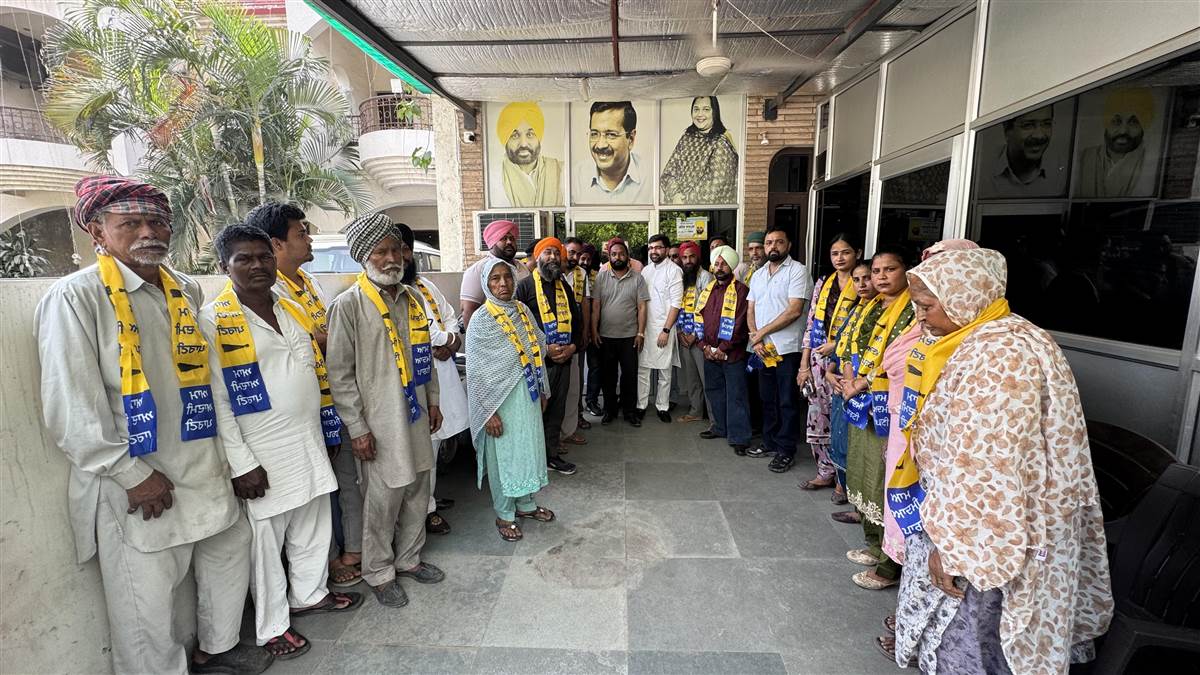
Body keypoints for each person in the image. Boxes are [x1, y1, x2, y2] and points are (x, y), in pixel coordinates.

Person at [35, 176, 270, 675]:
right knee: (144, 598)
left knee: (230, 549)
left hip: (203, 461)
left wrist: (232, 458)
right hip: (139, 474)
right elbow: (71, 405)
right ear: (98, 231)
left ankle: (216, 649)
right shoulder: (76, 297)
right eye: (131, 223)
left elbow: (205, 375)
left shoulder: (184, 287)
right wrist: (130, 474)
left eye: (157, 221)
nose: (148, 232)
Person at [891, 248, 1112, 673]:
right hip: (985, 523)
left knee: (973, 643)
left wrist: (951, 551)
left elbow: (987, 471)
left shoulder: (1000, 357)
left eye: (927, 306)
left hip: (988, 540)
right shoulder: (994, 337)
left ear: (964, 297)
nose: (919, 318)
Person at [201, 225, 361, 659]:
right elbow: (217, 400)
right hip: (261, 451)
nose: (257, 265)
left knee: (313, 524)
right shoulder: (214, 320)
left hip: (307, 439)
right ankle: (272, 626)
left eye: (263, 257)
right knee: (267, 544)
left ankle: (309, 594)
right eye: (244, 259)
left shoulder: (290, 308)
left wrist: (326, 427)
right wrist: (241, 464)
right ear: (225, 267)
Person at [325, 212, 445, 608]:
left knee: (419, 487)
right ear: (364, 257)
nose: (392, 258)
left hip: (416, 413)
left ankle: (409, 559)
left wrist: (434, 401)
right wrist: (357, 427)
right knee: (383, 496)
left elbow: (425, 358)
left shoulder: (412, 299)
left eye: (396, 250)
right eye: (381, 252)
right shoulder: (348, 305)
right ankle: (378, 571)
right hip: (379, 422)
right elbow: (340, 374)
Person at [243, 201, 362, 588]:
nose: (309, 239)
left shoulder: (307, 283)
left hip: (331, 397)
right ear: (276, 244)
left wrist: (330, 339)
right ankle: (326, 563)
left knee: (343, 481)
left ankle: (350, 550)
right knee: (314, 493)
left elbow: (326, 336)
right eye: (302, 233)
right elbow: (316, 341)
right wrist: (333, 339)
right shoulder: (268, 291)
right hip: (293, 414)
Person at [875, 239, 978, 662]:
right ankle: (912, 629)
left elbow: (982, 463)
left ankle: (930, 646)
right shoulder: (942, 333)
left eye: (927, 304)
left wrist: (951, 540)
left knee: (953, 584)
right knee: (922, 554)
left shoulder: (994, 351)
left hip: (966, 502)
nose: (920, 316)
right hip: (925, 463)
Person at [466, 257, 556, 542]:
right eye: (495, 279)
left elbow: (537, 348)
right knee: (503, 458)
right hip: (498, 401)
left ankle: (526, 505)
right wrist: (487, 412)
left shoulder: (522, 310)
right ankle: (504, 513)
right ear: (486, 284)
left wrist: (542, 388)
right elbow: (475, 372)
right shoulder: (481, 319)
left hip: (527, 396)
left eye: (507, 277)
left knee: (528, 449)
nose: (503, 283)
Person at [841, 248, 915, 591]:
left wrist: (862, 382)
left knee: (885, 479)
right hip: (860, 400)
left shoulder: (913, 311)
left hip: (888, 403)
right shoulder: (871, 306)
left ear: (906, 271)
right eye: (877, 271)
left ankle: (890, 561)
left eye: (890, 269)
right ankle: (874, 543)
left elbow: (900, 359)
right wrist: (848, 379)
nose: (881, 277)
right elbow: (850, 347)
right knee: (864, 472)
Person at [397, 222, 468, 535]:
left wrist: (451, 342)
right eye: (395, 249)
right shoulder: (391, 294)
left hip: (441, 374)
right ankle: (422, 510)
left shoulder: (425, 285)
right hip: (414, 381)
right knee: (419, 452)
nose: (402, 256)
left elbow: (449, 316)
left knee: (434, 447)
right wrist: (445, 340)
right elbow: (424, 333)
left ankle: (429, 501)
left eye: (405, 249)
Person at [796, 233, 862, 492]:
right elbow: (811, 322)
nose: (840, 258)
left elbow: (861, 326)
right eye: (835, 253)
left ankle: (844, 480)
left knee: (843, 419)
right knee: (817, 416)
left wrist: (837, 345)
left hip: (848, 361)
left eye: (845, 252)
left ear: (857, 253)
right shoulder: (824, 283)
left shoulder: (863, 282)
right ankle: (824, 471)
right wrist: (804, 365)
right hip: (817, 359)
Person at [746, 227, 811, 472]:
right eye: (769, 242)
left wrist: (761, 333)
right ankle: (769, 441)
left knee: (786, 401)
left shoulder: (798, 271)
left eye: (778, 242)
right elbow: (751, 309)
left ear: (789, 245)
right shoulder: (759, 274)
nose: (773, 246)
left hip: (787, 348)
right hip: (763, 349)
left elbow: (794, 311)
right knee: (767, 399)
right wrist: (756, 338)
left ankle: (786, 450)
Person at [515, 237, 581, 476]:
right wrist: (544, 349)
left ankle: (551, 456)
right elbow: (517, 327)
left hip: (563, 361)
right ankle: (532, 459)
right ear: (537, 257)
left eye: (556, 253)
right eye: (547, 253)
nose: (552, 257)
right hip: (535, 363)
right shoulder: (524, 287)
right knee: (535, 411)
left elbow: (577, 321)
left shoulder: (564, 287)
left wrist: (572, 347)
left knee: (556, 411)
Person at [827, 261, 877, 518]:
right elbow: (840, 348)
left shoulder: (883, 311)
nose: (862, 284)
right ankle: (848, 491)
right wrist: (829, 372)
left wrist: (856, 383)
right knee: (841, 440)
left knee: (862, 449)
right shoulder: (855, 310)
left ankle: (863, 508)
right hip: (844, 387)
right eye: (856, 280)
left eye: (867, 278)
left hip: (865, 390)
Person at [696, 246, 752, 455]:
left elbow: (740, 324)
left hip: (732, 354)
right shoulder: (708, 290)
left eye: (724, 264)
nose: (719, 268)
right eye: (717, 264)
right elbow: (698, 318)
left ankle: (739, 438)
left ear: (732, 266)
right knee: (715, 391)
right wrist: (704, 346)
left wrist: (723, 348)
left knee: (736, 395)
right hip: (709, 352)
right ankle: (720, 427)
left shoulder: (741, 291)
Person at [590, 238, 650, 426]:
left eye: (621, 254)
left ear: (627, 256)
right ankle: (610, 410)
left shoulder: (638, 278)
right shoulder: (601, 277)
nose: (618, 257)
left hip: (630, 337)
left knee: (629, 376)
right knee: (608, 377)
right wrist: (594, 331)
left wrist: (640, 333)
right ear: (609, 256)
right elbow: (596, 306)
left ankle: (629, 412)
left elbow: (642, 307)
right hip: (606, 337)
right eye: (614, 254)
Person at [637, 233, 684, 423]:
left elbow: (676, 304)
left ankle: (662, 406)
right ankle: (641, 405)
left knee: (665, 371)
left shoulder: (674, 271)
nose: (653, 251)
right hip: (646, 328)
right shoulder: (646, 271)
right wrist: (640, 330)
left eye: (657, 247)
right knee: (643, 370)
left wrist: (666, 330)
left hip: (664, 328)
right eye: (651, 248)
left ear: (666, 249)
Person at [660, 96, 739, 205]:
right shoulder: (686, 138)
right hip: (678, 207)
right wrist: (675, 195)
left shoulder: (721, 143)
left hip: (707, 212)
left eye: (706, 109)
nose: (700, 114)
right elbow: (668, 174)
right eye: (696, 109)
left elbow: (715, 186)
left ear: (714, 112)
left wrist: (684, 201)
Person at [1077, 88, 1155, 198]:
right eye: (1116, 121)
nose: (1123, 131)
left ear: (1144, 125)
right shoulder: (1083, 159)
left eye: (1133, 122)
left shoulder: (1151, 163)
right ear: (1106, 123)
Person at [573, 101, 652, 204]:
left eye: (611, 135)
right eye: (594, 134)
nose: (600, 145)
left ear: (631, 139)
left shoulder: (652, 180)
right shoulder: (574, 179)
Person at [461, 219, 529, 329]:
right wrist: (475, 338)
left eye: (512, 238)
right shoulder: (478, 269)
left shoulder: (522, 267)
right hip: (493, 332)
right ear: (492, 243)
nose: (509, 242)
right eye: (503, 238)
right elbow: (468, 310)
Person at [495, 101, 564, 207]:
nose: (523, 144)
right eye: (515, 136)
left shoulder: (561, 171)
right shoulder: (497, 178)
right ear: (505, 140)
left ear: (538, 137)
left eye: (530, 134)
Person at [674, 241, 713, 424]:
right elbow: (678, 306)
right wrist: (680, 331)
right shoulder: (682, 277)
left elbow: (707, 309)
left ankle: (714, 418)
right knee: (692, 378)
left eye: (692, 256)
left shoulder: (705, 277)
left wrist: (695, 335)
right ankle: (696, 410)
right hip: (684, 335)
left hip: (701, 338)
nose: (688, 260)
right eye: (684, 257)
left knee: (707, 379)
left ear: (698, 257)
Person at [986, 105, 1056, 197]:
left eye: (1046, 124)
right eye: (1028, 125)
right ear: (1007, 130)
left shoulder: (1062, 173)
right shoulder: (982, 172)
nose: (1039, 135)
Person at [562, 236, 593, 439]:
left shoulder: (581, 273)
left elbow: (585, 304)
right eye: (571, 252)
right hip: (556, 333)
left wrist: (585, 332)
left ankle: (577, 416)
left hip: (576, 332)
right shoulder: (553, 271)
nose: (574, 257)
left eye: (578, 253)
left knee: (577, 378)